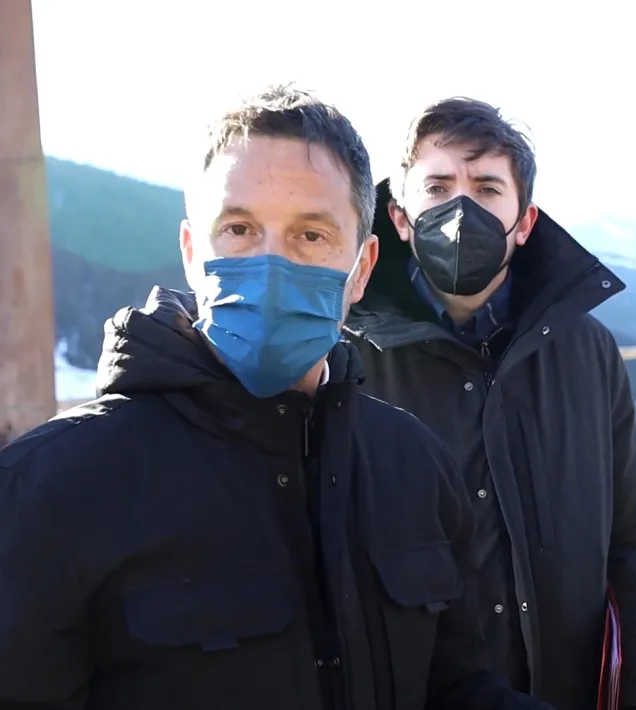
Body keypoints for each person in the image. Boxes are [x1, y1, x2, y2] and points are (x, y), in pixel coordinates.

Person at [0, 84, 552, 710]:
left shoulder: (414, 465)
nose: (270, 265)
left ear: (363, 267)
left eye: (311, 236)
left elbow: (452, 688)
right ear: (190, 252)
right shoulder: (51, 489)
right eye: (238, 229)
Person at [343, 97, 636, 710]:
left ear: (524, 222)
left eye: (487, 187)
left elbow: (633, 548)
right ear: (399, 217)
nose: (461, 209)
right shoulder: (348, 357)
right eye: (437, 186)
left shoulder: (587, 351)